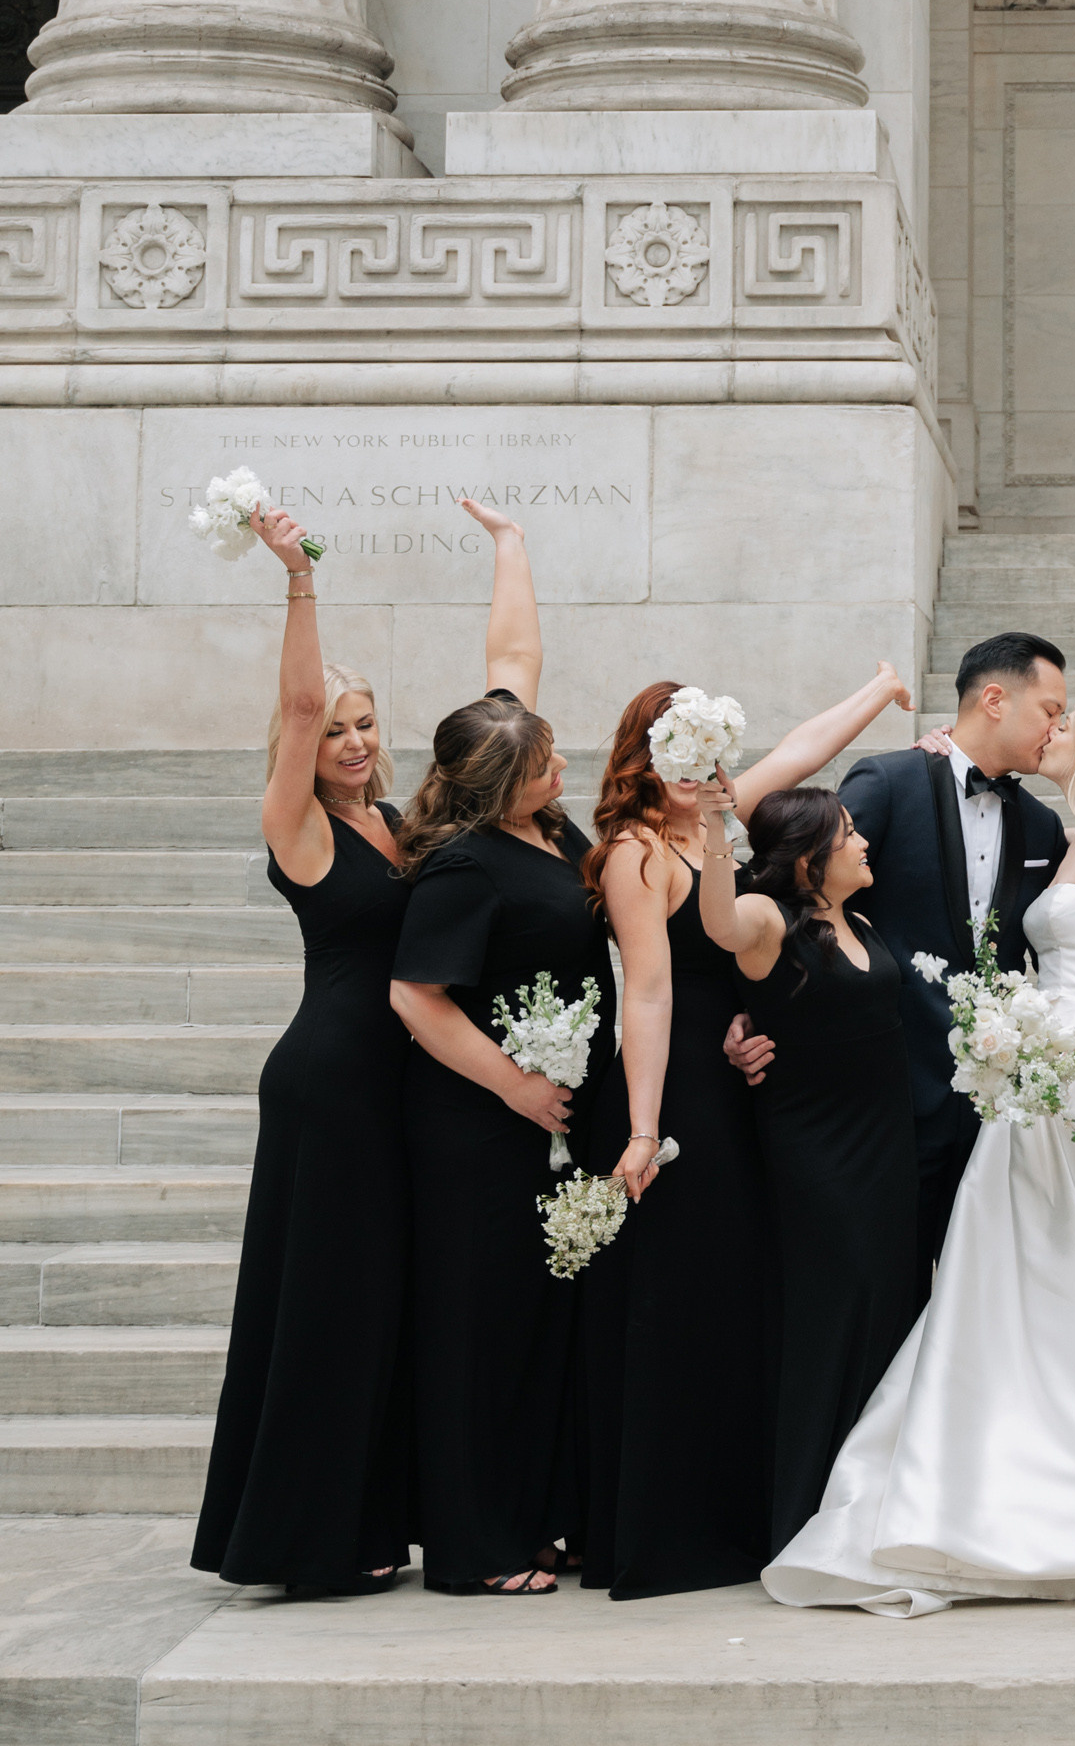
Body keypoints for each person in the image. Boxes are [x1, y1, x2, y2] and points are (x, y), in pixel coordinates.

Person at [764, 693, 1075, 1614]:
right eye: (1047, 714)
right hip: (1032, 1072)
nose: (1051, 731)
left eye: (1066, 723)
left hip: (1070, 1074)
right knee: (1006, 1260)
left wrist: (1058, 1061)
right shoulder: (1068, 831)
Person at [578, 659, 911, 1600]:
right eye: (675, 754)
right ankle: (666, 1534)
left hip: (747, 1089)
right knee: (679, 1306)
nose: (696, 771)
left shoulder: (712, 826)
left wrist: (879, 688)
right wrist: (643, 1132)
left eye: (706, 754)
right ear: (643, 761)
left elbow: (808, 744)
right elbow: (645, 991)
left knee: (743, 1303)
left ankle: (746, 1517)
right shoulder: (638, 853)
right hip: (675, 1090)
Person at [389, 502, 615, 1597]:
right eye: (543, 759)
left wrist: (513, 545)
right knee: (481, 1329)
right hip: (478, 1126)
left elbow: (512, 661)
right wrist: (519, 1089)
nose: (561, 758)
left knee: (543, 1324)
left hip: (549, 1117)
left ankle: (543, 1518)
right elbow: (417, 999)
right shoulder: (464, 865)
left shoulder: (547, 823)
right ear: (500, 784)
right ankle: (474, 1548)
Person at [192, 506, 412, 1598]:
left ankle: (363, 1522)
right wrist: (299, 584)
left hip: (395, 1088)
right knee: (323, 1307)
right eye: (335, 731)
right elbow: (291, 705)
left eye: (364, 723)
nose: (354, 743)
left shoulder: (397, 821)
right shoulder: (303, 826)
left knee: (371, 1306)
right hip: (330, 1083)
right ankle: (299, 1539)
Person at [730, 632, 1073, 1267]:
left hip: (990, 1104)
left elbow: (1054, 939)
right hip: (882, 1091)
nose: (1058, 728)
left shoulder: (1045, 826)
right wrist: (756, 1005)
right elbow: (789, 889)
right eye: (1051, 710)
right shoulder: (889, 781)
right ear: (995, 699)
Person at [699, 783, 925, 1555]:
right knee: (836, 1313)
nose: (864, 843)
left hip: (889, 1146)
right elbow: (719, 920)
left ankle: (879, 1501)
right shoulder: (771, 922)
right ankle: (808, 1512)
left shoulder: (858, 919)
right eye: (849, 833)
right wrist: (712, 822)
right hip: (816, 1152)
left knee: (892, 1305)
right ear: (807, 860)